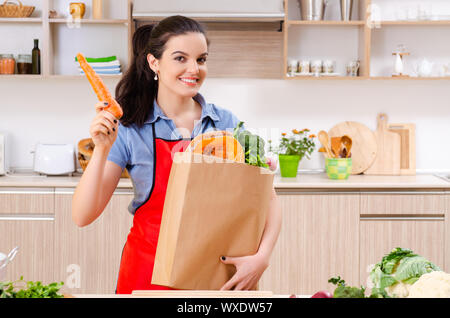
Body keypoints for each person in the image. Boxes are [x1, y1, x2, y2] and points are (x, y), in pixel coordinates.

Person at [71, 15, 281, 294]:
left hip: (216, 278)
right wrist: (101, 149)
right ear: (153, 62)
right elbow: (82, 215)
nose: (194, 69)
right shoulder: (130, 128)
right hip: (147, 275)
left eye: (201, 59)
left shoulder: (226, 124)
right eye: (180, 58)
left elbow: (269, 201)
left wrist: (262, 258)